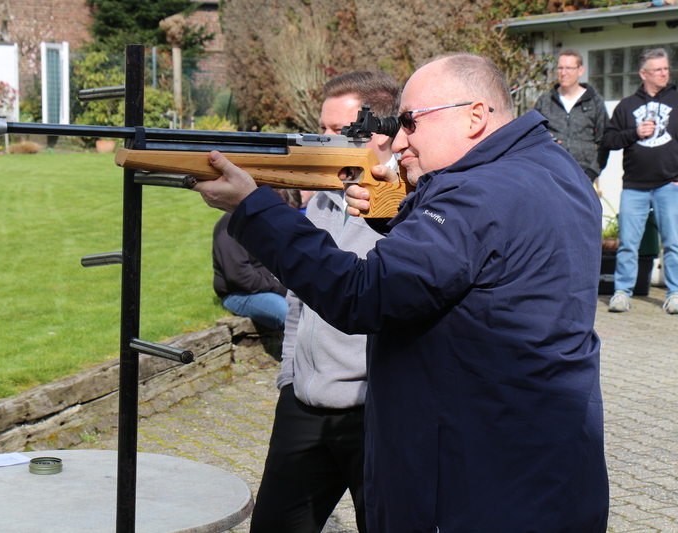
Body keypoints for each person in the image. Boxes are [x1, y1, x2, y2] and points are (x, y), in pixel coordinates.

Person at [195, 53, 608, 532]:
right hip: (543, 460)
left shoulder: (476, 194)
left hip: (480, 478)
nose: (399, 141)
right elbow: (473, 257)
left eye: (411, 122)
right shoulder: (551, 166)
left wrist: (253, 208)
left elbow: (361, 294)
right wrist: (397, 210)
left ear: (475, 115)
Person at [250, 71, 401, 533]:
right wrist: (289, 376)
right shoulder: (321, 201)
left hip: (375, 413)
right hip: (304, 403)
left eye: (338, 129)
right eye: (322, 126)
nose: (322, 139)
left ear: (379, 131)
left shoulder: (407, 209)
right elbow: (299, 296)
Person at [602, 47, 678, 314]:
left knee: (673, 243)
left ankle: (675, 293)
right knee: (628, 245)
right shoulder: (627, 106)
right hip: (634, 186)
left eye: (666, 68)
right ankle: (622, 293)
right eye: (658, 70)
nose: (664, 73)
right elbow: (609, 140)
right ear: (644, 73)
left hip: (669, 184)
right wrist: (634, 132)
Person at [211, 189, 299, 330]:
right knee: (290, 315)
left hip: (273, 289)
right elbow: (239, 274)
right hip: (240, 293)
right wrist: (282, 291)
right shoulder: (232, 222)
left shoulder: (268, 224)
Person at [534, 49, 609, 184]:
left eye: (569, 68)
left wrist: (592, 172)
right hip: (551, 175)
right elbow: (532, 137)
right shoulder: (545, 101)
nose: (564, 73)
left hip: (585, 176)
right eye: (560, 68)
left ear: (580, 70)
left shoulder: (594, 101)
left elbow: (605, 140)